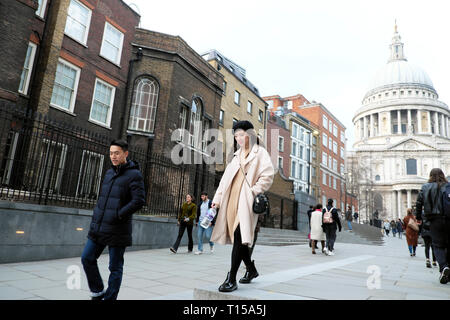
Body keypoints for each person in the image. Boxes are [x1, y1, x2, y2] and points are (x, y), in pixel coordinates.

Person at [210, 120, 274, 292]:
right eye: (236, 135)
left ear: (250, 134)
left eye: (241, 134)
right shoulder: (236, 156)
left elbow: (267, 175)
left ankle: (231, 278)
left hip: (246, 203)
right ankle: (251, 270)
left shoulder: (260, 152)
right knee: (241, 241)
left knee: (240, 236)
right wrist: (216, 200)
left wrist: (253, 191)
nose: (238, 138)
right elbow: (224, 182)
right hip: (231, 202)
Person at [81, 139, 145, 300]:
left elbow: (139, 201)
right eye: (111, 153)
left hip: (118, 228)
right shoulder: (109, 173)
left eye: (117, 153)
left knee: (115, 267)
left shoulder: (134, 174)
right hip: (99, 225)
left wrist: (119, 214)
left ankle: (110, 298)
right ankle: (97, 292)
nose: (113, 156)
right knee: (87, 258)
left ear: (126, 153)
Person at [415, 168, 449, 284]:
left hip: (434, 220)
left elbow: (419, 203)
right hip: (448, 219)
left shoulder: (425, 187)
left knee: (437, 245)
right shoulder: (447, 186)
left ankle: (444, 267)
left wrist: (419, 217)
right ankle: (447, 268)